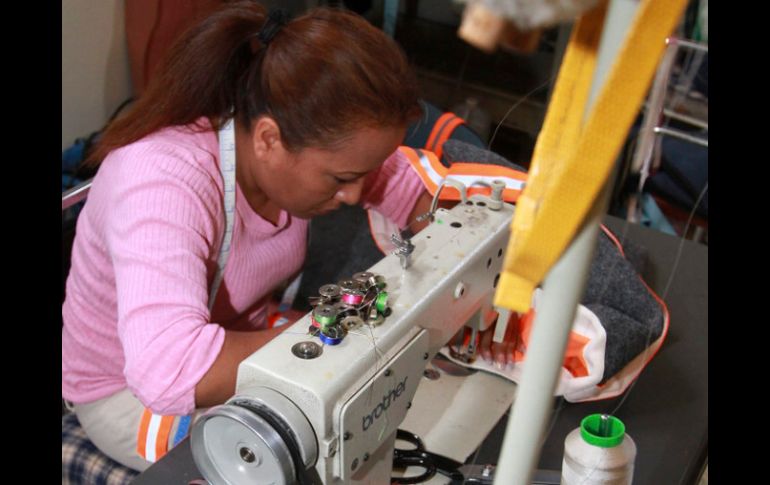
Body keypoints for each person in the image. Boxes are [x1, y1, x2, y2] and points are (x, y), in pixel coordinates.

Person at [61, 1, 433, 471]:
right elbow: (169, 373)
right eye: (342, 179)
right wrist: (337, 333)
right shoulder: (161, 181)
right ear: (268, 139)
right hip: (127, 395)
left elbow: (422, 199)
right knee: (315, 458)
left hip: (236, 339)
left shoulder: (314, 143)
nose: (356, 194)